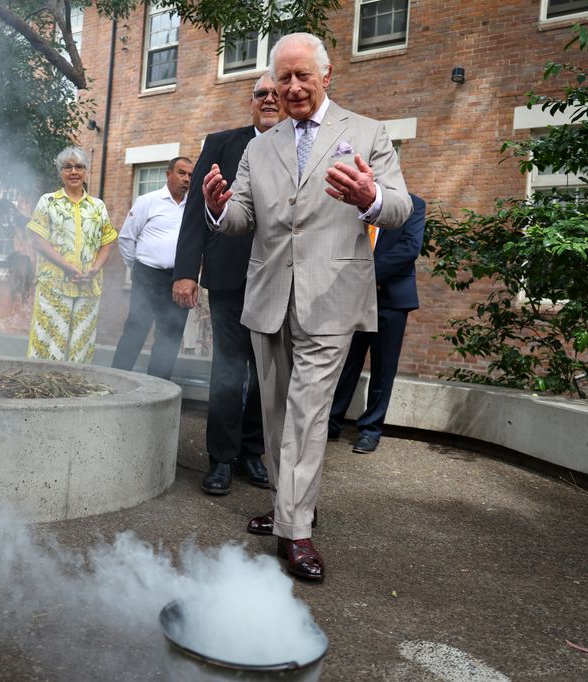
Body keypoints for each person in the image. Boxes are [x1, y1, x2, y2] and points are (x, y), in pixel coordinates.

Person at [203, 32, 411, 581]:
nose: (292, 88)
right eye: (282, 79)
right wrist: (218, 210)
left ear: (327, 75)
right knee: (274, 415)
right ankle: (288, 506)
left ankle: (295, 531)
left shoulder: (366, 133)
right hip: (270, 295)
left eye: (302, 76)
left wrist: (371, 199)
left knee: (307, 414)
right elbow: (242, 217)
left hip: (332, 297)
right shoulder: (259, 145)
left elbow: (400, 206)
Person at [173, 74, 283, 496]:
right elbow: (195, 210)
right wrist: (186, 271)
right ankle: (220, 458)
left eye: (275, 93)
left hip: (278, 279)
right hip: (228, 278)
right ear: (251, 102)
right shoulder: (220, 143)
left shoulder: (300, 145)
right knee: (228, 370)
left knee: (265, 373)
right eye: (261, 94)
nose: (269, 98)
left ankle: (251, 453)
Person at [329, 194, 426, 453]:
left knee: (383, 367)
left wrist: (366, 274)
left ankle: (370, 430)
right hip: (353, 296)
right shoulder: (353, 203)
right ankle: (331, 422)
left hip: (392, 299)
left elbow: (409, 247)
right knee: (347, 362)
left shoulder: (412, 205)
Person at [26, 147, 117, 363]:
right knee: (49, 341)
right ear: (60, 172)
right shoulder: (48, 202)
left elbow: (107, 243)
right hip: (54, 286)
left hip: (88, 286)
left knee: (81, 345)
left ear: (86, 171)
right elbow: (38, 241)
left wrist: (95, 269)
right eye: (67, 167)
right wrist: (67, 266)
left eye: (79, 166)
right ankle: (43, 390)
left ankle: (75, 391)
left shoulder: (98, 207)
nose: (73, 171)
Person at [111, 157, 194, 380]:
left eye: (189, 175)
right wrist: (137, 267)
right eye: (181, 172)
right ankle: (115, 382)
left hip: (179, 280)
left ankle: (158, 389)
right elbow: (126, 238)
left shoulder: (194, 206)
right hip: (148, 276)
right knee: (136, 330)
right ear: (168, 174)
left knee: (170, 335)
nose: (186, 178)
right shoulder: (148, 201)